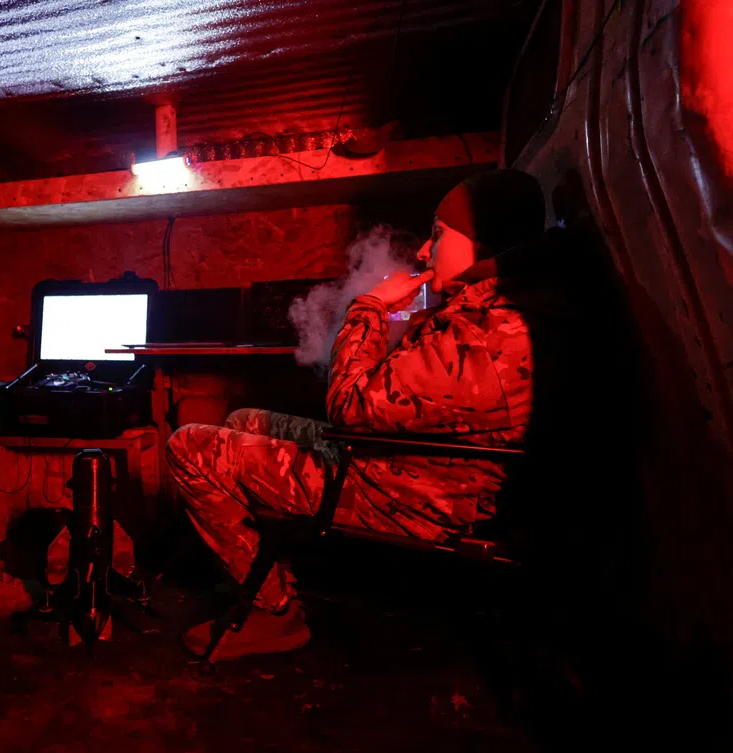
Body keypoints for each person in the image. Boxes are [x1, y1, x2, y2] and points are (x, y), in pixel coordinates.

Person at [168, 169, 548, 660]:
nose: (425, 253)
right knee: (243, 419)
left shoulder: (487, 335)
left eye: (438, 236)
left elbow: (349, 406)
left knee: (189, 446)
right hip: (402, 463)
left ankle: (274, 612)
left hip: (405, 493)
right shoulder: (493, 313)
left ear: (485, 241)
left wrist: (367, 308)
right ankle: (263, 575)